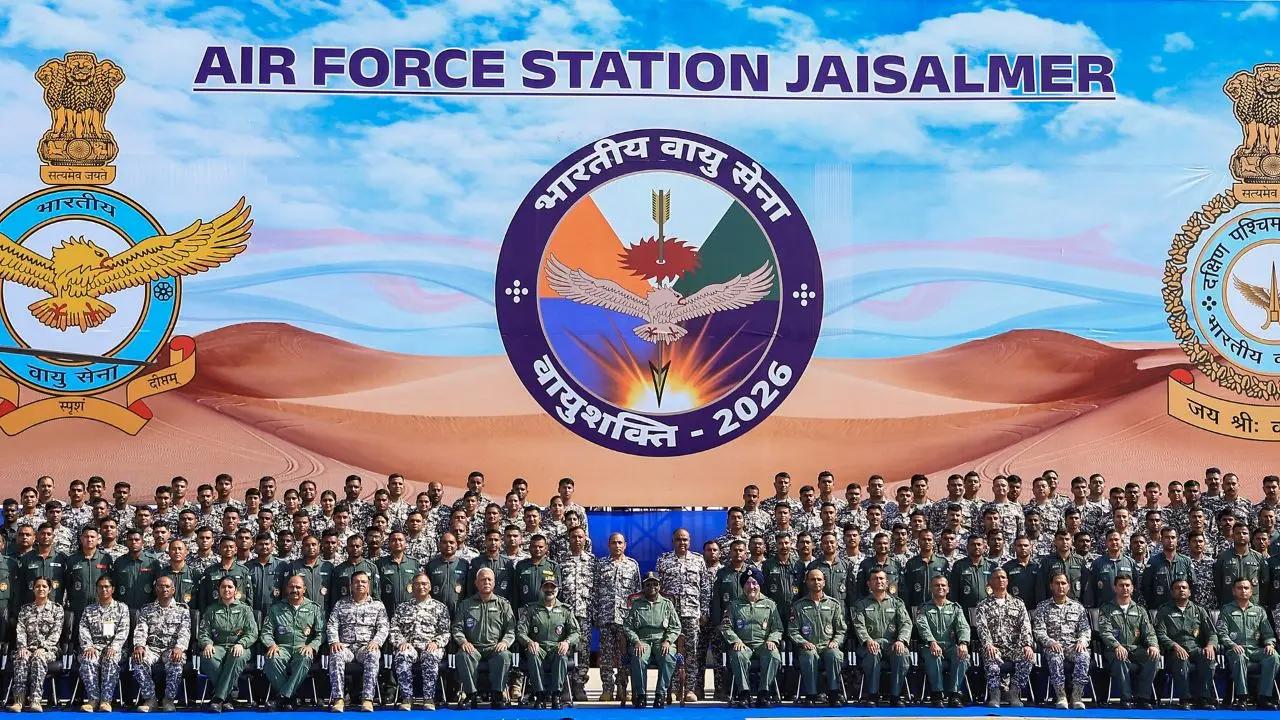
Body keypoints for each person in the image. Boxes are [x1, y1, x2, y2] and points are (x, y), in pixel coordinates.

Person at [654, 529, 709, 702]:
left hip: (691, 613)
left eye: (685, 539)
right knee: (669, 651)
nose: (682, 542)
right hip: (670, 615)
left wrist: (704, 612)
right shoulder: (663, 560)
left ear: (690, 541)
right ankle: (670, 688)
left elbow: (705, 588)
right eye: (678, 539)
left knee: (691, 652)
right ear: (673, 541)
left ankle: (689, 689)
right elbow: (657, 590)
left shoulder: (698, 560)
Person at [452, 567, 516, 710]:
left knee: (505, 655)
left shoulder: (503, 604)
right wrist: (463, 642)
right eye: (482, 580)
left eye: (489, 579)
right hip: (473, 647)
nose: (486, 582)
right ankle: (471, 694)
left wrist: (505, 642)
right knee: (462, 655)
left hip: (495, 647)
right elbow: (457, 628)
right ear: (476, 583)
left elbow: (511, 629)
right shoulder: (466, 604)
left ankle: (497, 694)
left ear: (494, 583)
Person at [327, 571, 389, 712]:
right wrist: (334, 641)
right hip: (345, 647)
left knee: (373, 655)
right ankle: (339, 699)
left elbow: (384, 627)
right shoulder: (341, 604)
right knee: (336, 655)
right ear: (351, 585)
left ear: (368, 585)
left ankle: (367, 699)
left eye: (363, 582)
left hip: (366, 646)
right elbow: (332, 624)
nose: (360, 584)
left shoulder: (378, 605)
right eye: (356, 582)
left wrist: (376, 642)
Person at [720, 568, 782, 708]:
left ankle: (764, 693)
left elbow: (778, 628)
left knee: (773, 654)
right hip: (743, 644)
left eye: (754, 583)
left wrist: (772, 639)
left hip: (763, 645)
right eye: (747, 583)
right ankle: (744, 693)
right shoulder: (734, 605)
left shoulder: (770, 604)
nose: (751, 586)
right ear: (743, 586)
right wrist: (735, 640)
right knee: (738, 655)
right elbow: (726, 627)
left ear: (759, 585)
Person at [849, 568, 911, 707]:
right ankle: (872, 695)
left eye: (881, 578)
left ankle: (896, 696)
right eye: (875, 579)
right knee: (873, 653)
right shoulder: (861, 604)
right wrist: (868, 640)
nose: (878, 581)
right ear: (869, 584)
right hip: (869, 645)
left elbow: (906, 623)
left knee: (902, 654)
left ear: (887, 583)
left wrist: (901, 640)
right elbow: (859, 625)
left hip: (892, 644)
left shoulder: (897, 603)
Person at [262, 575, 326, 710]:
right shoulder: (276, 608)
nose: (294, 590)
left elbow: (321, 633)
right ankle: (290, 697)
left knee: (305, 658)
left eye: (298, 587)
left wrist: (312, 646)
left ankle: (282, 697)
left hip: (302, 647)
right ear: (286, 589)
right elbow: (266, 632)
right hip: (282, 647)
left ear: (304, 589)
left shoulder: (314, 608)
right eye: (291, 587)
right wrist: (271, 644)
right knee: (271, 658)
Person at [973, 568, 1034, 707]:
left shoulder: (1018, 603)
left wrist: (1027, 645)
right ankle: (995, 694)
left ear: (1007, 581)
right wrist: (988, 644)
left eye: (1003, 577)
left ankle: (1014, 692)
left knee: (1028, 657)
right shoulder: (983, 605)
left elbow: (1025, 626)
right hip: (994, 647)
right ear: (990, 582)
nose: (1000, 580)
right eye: (997, 577)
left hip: (1014, 648)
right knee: (991, 660)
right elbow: (982, 628)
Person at [389, 572, 449, 711]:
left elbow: (445, 632)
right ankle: (407, 698)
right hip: (409, 646)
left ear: (430, 587)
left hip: (430, 646)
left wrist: (436, 642)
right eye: (417, 584)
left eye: (424, 584)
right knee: (402, 655)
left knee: (430, 655)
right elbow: (394, 629)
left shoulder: (440, 608)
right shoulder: (402, 607)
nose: (421, 587)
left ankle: (429, 698)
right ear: (412, 587)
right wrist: (401, 642)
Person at [1096, 574, 1159, 709]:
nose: (1125, 588)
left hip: (1135, 649)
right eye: (1121, 585)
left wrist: (1153, 645)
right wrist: (1116, 646)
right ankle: (1126, 698)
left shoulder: (1140, 610)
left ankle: (1143, 698)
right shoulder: (1106, 609)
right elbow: (1105, 632)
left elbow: (1149, 632)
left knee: (1153, 657)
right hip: (1114, 650)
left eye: (1127, 585)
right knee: (1121, 657)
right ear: (1115, 588)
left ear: (1132, 588)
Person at [1155, 578, 1218, 710]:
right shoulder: (1164, 611)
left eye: (1184, 588)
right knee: (1181, 660)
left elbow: (1212, 633)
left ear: (1189, 592)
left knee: (1207, 657)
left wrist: (1210, 646)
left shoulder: (1199, 610)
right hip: (1175, 651)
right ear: (1172, 592)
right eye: (1177, 588)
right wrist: (1174, 646)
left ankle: (1204, 698)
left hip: (1195, 649)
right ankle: (1185, 699)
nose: (1181, 590)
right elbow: (1160, 634)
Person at [130, 574, 191, 713]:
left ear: (173, 590)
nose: (164, 589)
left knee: (177, 660)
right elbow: (141, 630)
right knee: (138, 659)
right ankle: (150, 699)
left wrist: (179, 648)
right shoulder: (146, 609)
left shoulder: (182, 610)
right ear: (155, 589)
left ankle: (168, 700)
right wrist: (139, 646)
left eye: (167, 586)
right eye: (160, 586)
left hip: (172, 649)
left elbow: (185, 632)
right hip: (152, 648)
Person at [1216, 577, 1279, 709]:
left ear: (1251, 591)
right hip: (1235, 649)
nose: (1243, 591)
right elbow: (1221, 633)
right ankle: (1242, 697)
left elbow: (1268, 634)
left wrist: (1269, 644)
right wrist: (1232, 644)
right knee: (1239, 656)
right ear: (1234, 591)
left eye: (1246, 588)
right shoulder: (1226, 610)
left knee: (1273, 657)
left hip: (1255, 650)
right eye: (1239, 588)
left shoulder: (1259, 611)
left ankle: (1264, 697)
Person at [517, 577, 580, 709]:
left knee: (562, 654)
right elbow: (520, 631)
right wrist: (529, 642)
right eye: (546, 587)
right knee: (533, 653)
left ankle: (556, 695)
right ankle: (539, 694)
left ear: (558, 590)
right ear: (541, 589)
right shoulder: (531, 609)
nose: (549, 590)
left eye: (552, 587)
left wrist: (567, 642)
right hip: (538, 647)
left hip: (556, 647)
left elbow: (576, 632)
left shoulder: (565, 610)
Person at [1032, 571, 1091, 710]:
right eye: (1057, 583)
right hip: (1053, 647)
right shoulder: (1042, 607)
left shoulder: (1078, 607)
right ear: (1051, 586)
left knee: (1084, 656)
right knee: (1055, 657)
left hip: (1072, 646)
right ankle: (1061, 695)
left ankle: (1076, 696)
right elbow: (1038, 630)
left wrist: (1082, 641)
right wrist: (1050, 642)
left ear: (1068, 586)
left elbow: (1085, 629)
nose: (1060, 586)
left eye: (1063, 583)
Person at [198, 576, 258, 712]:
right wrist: (207, 644)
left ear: (236, 590)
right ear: (218, 590)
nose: (226, 590)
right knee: (208, 657)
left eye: (230, 587)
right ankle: (229, 697)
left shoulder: (245, 609)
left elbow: (252, 633)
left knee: (236, 656)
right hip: (218, 646)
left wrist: (241, 644)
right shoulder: (211, 609)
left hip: (240, 647)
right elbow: (203, 633)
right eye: (223, 587)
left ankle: (218, 698)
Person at [593, 532, 640, 703]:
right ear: (609, 545)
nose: (617, 545)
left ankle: (623, 688)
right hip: (606, 617)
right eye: (614, 542)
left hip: (625, 619)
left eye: (620, 542)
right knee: (606, 656)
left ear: (625, 545)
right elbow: (595, 591)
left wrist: (635, 620)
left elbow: (637, 594)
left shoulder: (632, 565)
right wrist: (595, 614)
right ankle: (607, 689)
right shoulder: (601, 564)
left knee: (624, 656)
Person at [788, 568, 845, 707]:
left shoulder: (834, 604)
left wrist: (835, 641)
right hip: (808, 646)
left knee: (835, 654)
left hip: (828, 645)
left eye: (819, 579)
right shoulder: (798, 606)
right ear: (807, 582)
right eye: (812, 579)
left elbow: (841, 630)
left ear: (824, 582)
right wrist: (803, 642)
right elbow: (793, 630)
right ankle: (811, 695)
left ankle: (834, 694)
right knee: (809, 655)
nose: (816, 582)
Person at [624, 572, 680, 709]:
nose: (652, 587)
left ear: (660, 586)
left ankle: (660, 695)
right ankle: (641, 695)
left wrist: (668, 641)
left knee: (668, 657)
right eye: (648, 584)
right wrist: (636, 641)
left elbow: (676, 626)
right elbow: (628, 626)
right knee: (638, 657)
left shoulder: (667, 604)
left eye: (655, 584)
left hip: (662, 640)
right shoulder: (636, 604)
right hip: (642, 640)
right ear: (643, 587)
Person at [7, 576, 63, 712]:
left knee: (38, 659)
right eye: (37, 586)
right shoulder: (25, 609)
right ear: (33, 589)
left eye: (44, 586)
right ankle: (18, 701)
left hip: (48, 650)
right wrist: (22, 647)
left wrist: (43, 648)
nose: (41, 589)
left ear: (49, 589)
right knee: (21, 658)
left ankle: (35, 701)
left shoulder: (57, 609)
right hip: (27, 648)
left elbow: (56, 633)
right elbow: (21, 630)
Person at [916, 575, 970, 708]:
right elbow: (922, 627)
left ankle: (954, 695)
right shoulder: (923, 608)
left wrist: (963, 643)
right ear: (931, 589)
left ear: (948, 589)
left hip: (949, 646)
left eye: (943, 585)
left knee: (962, 656)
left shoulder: (955, 608)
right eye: (937, 585)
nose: (940, 587)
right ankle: (937, 694)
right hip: (929, 646)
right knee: (934, 656)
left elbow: (963, 627)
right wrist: (932, 641)